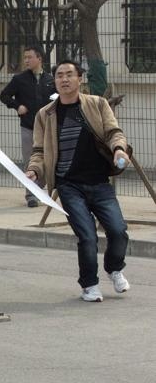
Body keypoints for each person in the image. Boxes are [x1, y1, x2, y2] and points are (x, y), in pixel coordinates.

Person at [25, 60, 131, 302]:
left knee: (118, 231)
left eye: (69, 74)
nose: (64, 79)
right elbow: (39, 150)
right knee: (87, 236)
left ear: (79, 79)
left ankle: (114, 268)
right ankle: (89, 285)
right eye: (59, 75)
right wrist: (34, 170)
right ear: (55, 81)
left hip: (99, 182)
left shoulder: (97, 104)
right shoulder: (45, 114)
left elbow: (113, 132)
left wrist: (119, 149)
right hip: (69, 185)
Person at [0, 45, 56, 207]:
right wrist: (17, 106)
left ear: (39, 58)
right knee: (30, 162)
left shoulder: (50, 80)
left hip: (48, 128)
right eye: (25, 58)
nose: (26, 61)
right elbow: (4, 95)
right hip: (28, 126)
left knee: (49, 160)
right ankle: (31, 195)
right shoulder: (19, 79)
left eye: (29, 57)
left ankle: (39, 187)